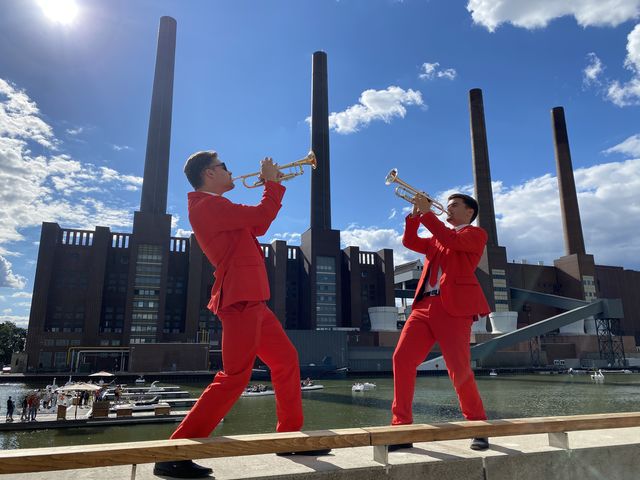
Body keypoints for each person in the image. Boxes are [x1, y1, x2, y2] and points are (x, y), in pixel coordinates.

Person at [154, 151, 329, 479]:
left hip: (253, 299)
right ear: (209, 173)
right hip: (239, 299)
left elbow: (260, 223)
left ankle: (290, 437)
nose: (231, 171)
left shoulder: (217, 207)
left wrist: (271, 186)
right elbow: (263, 212)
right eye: (224, 167)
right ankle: (174, 452)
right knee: (235, 377)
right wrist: (272, 184)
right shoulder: (208, 206)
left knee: (286, 361)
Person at [390, 193, 491, 452]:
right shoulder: (438, 237)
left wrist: (427, 214)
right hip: (423, 306)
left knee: (458, 368)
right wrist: (414, 215)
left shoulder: (475, 234)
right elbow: (410, 241)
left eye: (455, 206)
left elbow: (450, 239)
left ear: (470, 212)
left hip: (454, 309)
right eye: (447, 207)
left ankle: (478, 426)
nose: (448, 209)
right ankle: (401, 427)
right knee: (401, 359)